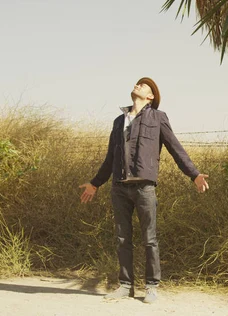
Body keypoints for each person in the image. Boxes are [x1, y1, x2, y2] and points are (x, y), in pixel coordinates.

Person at [79, 77, 209, 303]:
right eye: (137, 83)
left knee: (149, 239)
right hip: (119, 187)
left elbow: (175, 148)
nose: (137, 85)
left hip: (144, 187)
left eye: (143, 85)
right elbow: (111, 158)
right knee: (122, 238)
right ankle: (125, 285)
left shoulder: (158, 118)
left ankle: (151, 286)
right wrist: (95, 183)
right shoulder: (119, 121)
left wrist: (194, 174)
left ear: (150, 96)